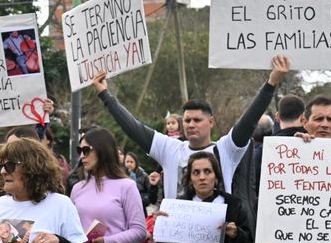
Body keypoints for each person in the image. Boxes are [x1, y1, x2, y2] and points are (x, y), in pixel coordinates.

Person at [91, 56, 290, 200]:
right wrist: (106, 96)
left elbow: (249, 120)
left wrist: (271, 83)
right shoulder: (170, 149)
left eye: (197, 120)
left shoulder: (225, 150)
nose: (191, 125)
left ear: (211, 122)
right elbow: (133, 127)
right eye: (187, 121)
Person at [69, 127, 147, 243]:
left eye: (86, 150)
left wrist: (106, 241)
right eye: (79, 150)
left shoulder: (127, 186)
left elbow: (139, 231)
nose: (82, 156)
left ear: (103, 150)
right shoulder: (77, 189)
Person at [162, 150, 251, 243]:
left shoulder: (234, 205)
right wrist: (162, 224)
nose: (202, 177)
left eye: (207, 171)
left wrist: (236, 234)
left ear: (216, 177)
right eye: (196, 172)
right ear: (190, 179)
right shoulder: (178, 207)